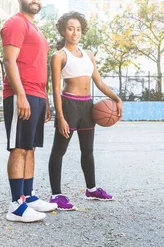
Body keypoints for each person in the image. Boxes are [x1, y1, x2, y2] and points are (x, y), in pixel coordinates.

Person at [48, 11, 123, 210]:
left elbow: (98, 82)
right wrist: (61, 116)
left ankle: (91, 189)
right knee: (59, 151)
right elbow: (55, 89)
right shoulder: (59, 56)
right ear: (64, 31)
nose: (75, 33)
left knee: (87, 151)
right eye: (71, 29)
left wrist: (116, 98)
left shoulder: (89, 55)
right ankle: (56, 195)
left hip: (87, 106)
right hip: (69, 105)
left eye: (78, 29)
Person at [1, 0, 57, 223]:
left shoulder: (36, 29)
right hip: (20, 94)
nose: (34, 0)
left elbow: (38, 66)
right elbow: (9, 61)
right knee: (19, 148)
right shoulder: (16, 23)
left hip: (36, 95)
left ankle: (28, 196)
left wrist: (44, 100)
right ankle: (15, 205)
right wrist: (21, 94)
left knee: (31, 148)